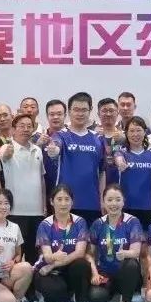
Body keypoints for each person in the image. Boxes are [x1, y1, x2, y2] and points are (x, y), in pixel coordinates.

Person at [0, 113, 46, 302]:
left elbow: (42, 179)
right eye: (22, 125)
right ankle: (10, 289)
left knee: (34, 254)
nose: (26, 129)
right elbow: (4, 156)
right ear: (13, 128)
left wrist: (44, 206)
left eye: (29, 126)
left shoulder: (38, 150)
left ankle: (31, 290)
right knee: (14, 254)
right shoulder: (7, 147)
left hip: (36, 211)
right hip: (15, 211)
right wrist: (7, 151)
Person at [33, 185, 94, 302]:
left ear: (72, 202)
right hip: (47, 272)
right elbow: (47, 257)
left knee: (82, 264)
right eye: (59, 199)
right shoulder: (45, 225)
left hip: (64, 268)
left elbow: (79, 253)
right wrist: (52, 259)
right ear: (51, 201)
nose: (63, 203)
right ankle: (46, 297)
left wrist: (54, 264)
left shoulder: (80, 222)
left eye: (67, 199)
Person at [45, 92, 106, 223]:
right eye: (76, 109)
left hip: (92, 204)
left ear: (90, 111)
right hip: (65, 203)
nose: (80, 113)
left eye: (84, 110)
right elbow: (55, 147)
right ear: (69, 111)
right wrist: (53, 150)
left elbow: (102, 172)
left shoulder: (98, 139)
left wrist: (102, 199)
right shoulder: (60, 136)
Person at [87, 185, 144, 302]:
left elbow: (136, 251)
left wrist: (125, 253)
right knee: (95, 296)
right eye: (110, 200)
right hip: (106, 274)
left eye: (118, 200)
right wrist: (94, 273)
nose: (114, 204)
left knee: (131, 263)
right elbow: (89, 254)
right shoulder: (98, 224)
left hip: (127, 273)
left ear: (123, 201)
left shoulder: (132, 222)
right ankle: (114, 296)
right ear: (103, 202)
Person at [115, 116, 151, 229]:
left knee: (147, 238)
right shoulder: (122, 153)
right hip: (126, 207)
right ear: (126, 133)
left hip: (148, 207)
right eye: (131, 131)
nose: (135, 134)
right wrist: (120, 163)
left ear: (145, 132)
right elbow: (118, 159)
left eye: (138, 130)